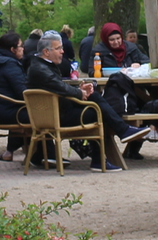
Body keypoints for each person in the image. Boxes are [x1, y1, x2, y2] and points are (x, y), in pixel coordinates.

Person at [26, 31, 150, 171]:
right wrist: (80, 93)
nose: (62, 51)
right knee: (96, 111)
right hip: (55, 117)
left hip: (53, 113)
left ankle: (122, 132)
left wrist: (80, 90)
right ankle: (103, 155)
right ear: (46, 52)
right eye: (59, 48)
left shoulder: (40, 65)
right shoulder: (40, 69)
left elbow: (58, 88)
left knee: (95, 98)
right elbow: (61, 87)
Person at [0, 31, 30, 157]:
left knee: (26, 110)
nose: (23, 49)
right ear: (12, 49)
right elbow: (22, 93)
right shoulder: (10, 64)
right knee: (41, 113)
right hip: (5, 112)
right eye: (21, 46)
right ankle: (42, 155)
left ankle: (10, 152)